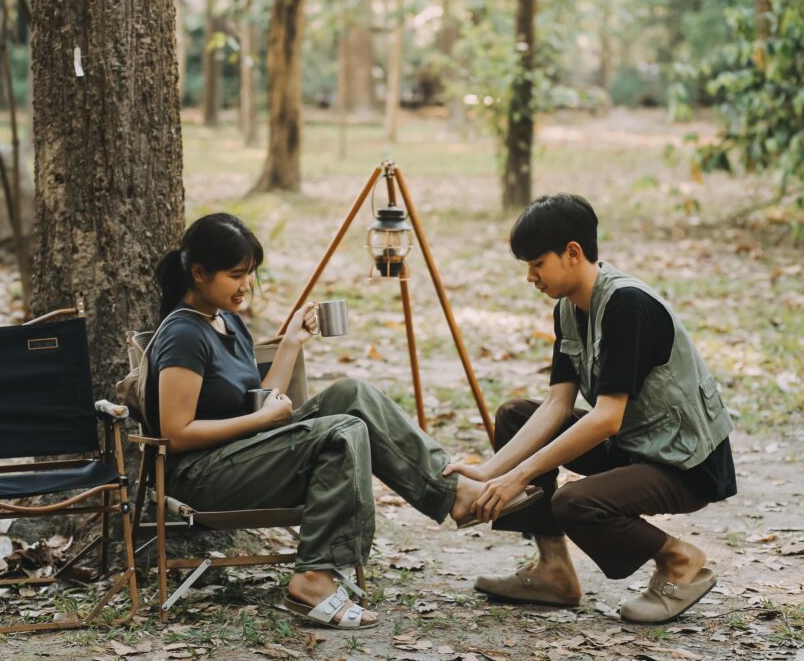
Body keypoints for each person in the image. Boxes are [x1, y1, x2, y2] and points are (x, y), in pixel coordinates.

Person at [145, 212, 541, 630]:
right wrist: (261, 420)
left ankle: (454, 492)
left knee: (353, 393)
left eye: (250, 273)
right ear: (198, 272)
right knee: (341, 433)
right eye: (236, 274)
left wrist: (293, 342)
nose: (246, 285)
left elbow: (258, 400)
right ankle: (312, 578)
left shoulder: (226, 320)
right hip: (201, 477)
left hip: (238, 459)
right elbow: (176, 434)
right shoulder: (184, 334)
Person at [444, 194, 736, 624]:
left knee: (574, 502)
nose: (530, 277)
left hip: (686, 462)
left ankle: (679, 559)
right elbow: (557, 404)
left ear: (573, 253)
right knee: (514, 416)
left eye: (537, 263)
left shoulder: (628, 306)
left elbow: (605, 418)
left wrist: (518, 476)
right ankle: (554, 572)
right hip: (636, 444)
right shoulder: (569, 308)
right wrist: (491, 471)